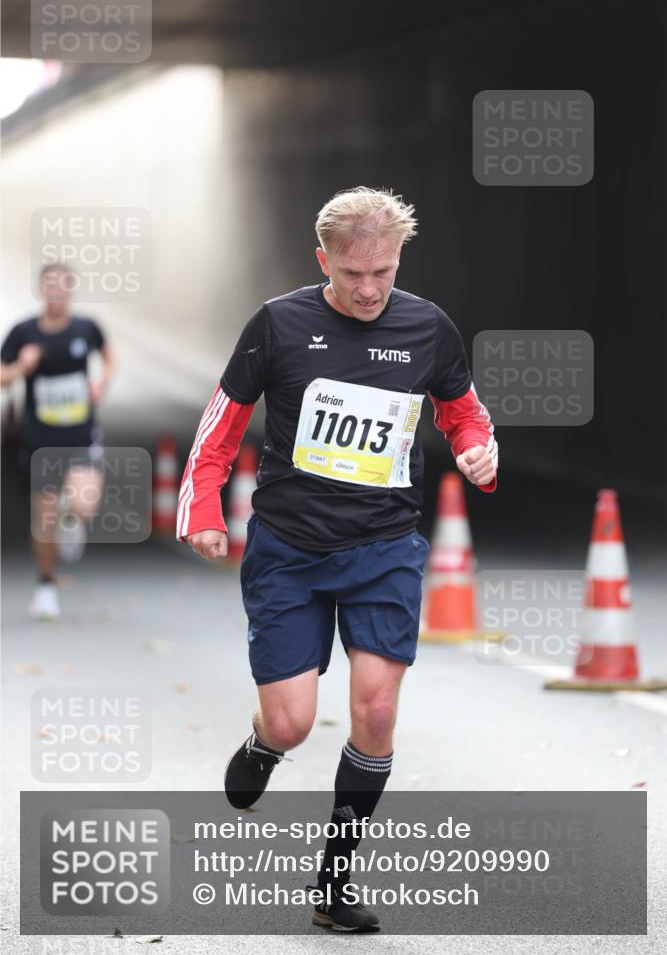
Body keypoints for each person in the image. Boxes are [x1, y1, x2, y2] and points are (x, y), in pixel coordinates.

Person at [177, 186, 498, 932]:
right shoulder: (279, 324)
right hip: (288, 549)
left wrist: (478, 451)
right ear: (322, 259)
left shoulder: (427, 327)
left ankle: (333, 880)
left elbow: (463, 411)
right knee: (292, 723)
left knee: (376, 709)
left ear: (396, 262)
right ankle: (264, 744)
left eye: (382, 272)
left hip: (384, 547)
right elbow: (220, 425)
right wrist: (200, 509)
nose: (367, 289)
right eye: (352, 274)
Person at [1, 263, 114, 620]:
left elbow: (110, 359)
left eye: (62, 285)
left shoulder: (86, 328)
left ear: (71, 290)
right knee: (44, 518)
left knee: (84, 504)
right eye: (49, 285)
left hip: (81, 434)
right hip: (40, 439)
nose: (56, 291)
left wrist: (101, 383)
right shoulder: (23, 333)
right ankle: (46, 584)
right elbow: (2, 376)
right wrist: (22, 367)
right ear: (41, 290)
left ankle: (73, 519)